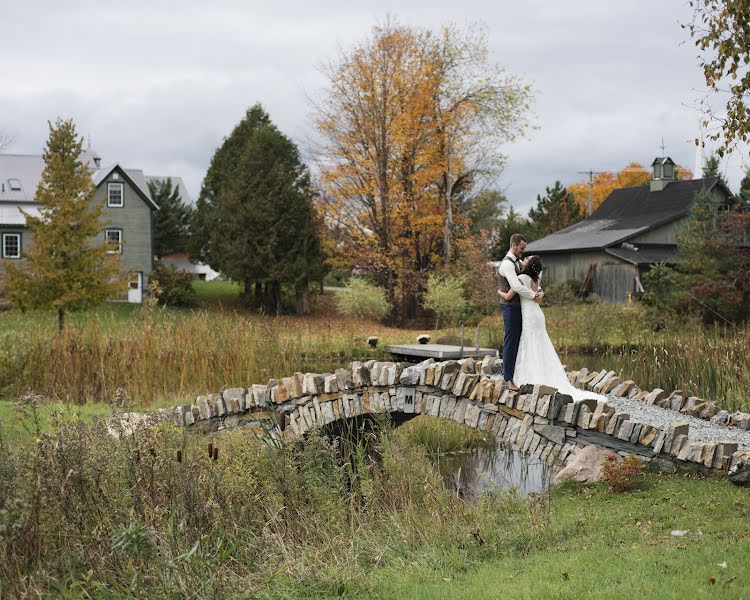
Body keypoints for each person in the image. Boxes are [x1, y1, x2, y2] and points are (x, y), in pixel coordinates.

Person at [497, 255, 602, 401]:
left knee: (530, 343)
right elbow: (539, 296)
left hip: (529, 316)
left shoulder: (521, 278)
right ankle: (545, 375)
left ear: (528, 264)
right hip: (538, 315)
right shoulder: (536, 280)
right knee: (540, 343)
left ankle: (531, 377)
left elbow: (508, 296)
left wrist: (499, 292)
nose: (524, 259)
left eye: (527, 258)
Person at [497, 234, 541, 391]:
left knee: (519, 341)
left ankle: (518, 374)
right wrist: (533, 295)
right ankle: (508, 379)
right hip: (509, 307)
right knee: (510, 341)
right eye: (521, 248)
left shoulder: (518, 261)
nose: (523, 251)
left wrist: (537, 290)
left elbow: (530, 275)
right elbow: (515, 286)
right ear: (514, 245)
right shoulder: (506, 265)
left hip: (520, 307)